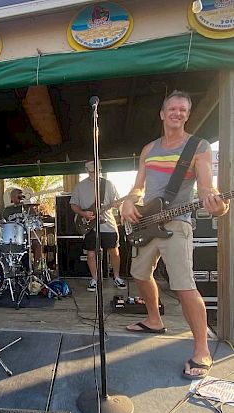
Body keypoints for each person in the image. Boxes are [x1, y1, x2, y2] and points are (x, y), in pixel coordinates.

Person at [120, 90, 229, 380]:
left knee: (183, 286)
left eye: (182, 110)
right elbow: (138, 187)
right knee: (140, 274)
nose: (177, 113)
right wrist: (129, 201)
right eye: (172, 109)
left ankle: (202, 349)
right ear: (162, 113)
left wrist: (214, 201)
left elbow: (206, 187)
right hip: (147, 222)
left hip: (178, 222)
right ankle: (154, 320)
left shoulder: (198, 146)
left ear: (187, 115)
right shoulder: (149, 149)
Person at [70, 160, 127, 292]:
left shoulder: (108, 184)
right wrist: (83, 213)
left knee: (114, 251)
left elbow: (116, 202)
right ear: (86, 171)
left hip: (107, 223)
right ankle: (95, 279)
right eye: (91, 171)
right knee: (91, 254)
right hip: (89, 225)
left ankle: (117, 277)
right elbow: (73, 205)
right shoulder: (80, 186)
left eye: (97, 170)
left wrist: (117, 204)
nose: (94, 173)